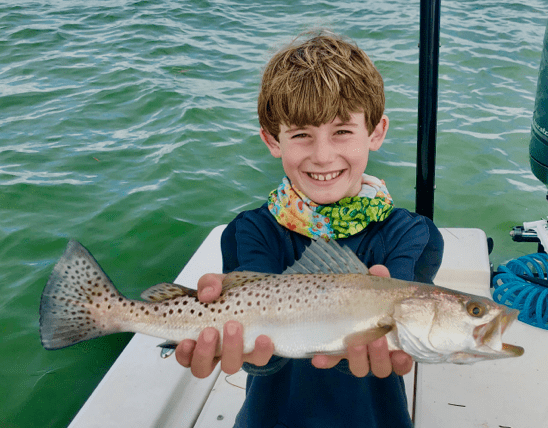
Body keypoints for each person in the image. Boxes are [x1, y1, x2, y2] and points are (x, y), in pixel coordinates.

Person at [175, 31, 444, 427]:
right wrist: (248, 354)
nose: (322, 155)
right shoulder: (250, 230)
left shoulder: (413, 235)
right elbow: (262, 354)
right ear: (272, 140)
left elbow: (398, 336)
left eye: (342, 131)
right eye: (301, 134)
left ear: (376, 132)